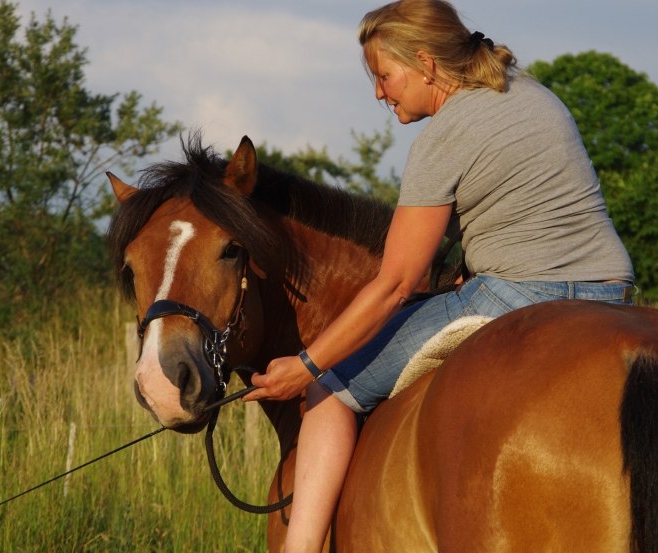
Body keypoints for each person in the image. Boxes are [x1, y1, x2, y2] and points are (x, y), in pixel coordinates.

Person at [243, 1, 634, 550]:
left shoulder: (444, 136)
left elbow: (398, 282)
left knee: (330, 390)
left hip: (516, 297)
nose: (380, 92)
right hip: (613, 294)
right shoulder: (532, 94)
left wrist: (307, 365)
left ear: (426, 64)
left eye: (384, 75)